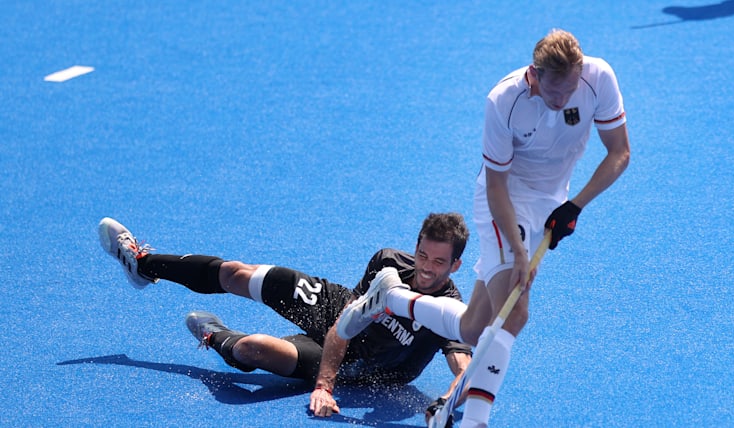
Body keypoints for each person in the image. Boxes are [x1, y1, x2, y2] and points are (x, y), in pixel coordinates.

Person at [337, 29, 630, 427]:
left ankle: (392, 299)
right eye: (554, 91)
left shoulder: (599, 78)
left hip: (551, 202)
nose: (563, 100)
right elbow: (495, 186)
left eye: (570, 90)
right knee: (515, 313)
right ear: (535, 75)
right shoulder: (504, 100)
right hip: (504, 199)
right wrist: (519, 252)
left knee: (475, 327)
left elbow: (619, 152)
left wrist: (575, 205)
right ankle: (477, 420)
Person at [97, 213, 472, 420]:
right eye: (423, 255)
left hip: (364, 364)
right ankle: (143, 265)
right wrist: (323, 386)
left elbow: (466, 373)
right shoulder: (388, 262)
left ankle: (215, 335)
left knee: (252, 349)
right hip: (338, 315)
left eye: (439, 262)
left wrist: (444, 404)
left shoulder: (450, 310)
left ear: (455, 265)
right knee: (238, 274)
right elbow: (347, 320)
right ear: (415, 246)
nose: (427, 268)